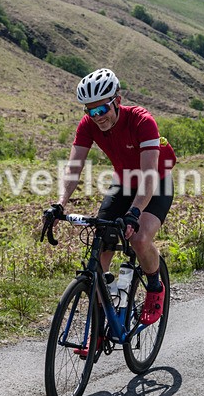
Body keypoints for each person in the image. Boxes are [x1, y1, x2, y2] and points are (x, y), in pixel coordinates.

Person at [53, 67, 176, 325]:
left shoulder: (142, 121)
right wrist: (60, 204)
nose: (97, 117)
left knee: (140, 238)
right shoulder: (88, 125)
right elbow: (73, 168)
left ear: (117, 101)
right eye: (90, 111)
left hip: (155, 182)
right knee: (100, 250)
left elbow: (149, 175)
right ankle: (100, 321)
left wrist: (134, 213)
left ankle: (155, 287)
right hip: (123, 182)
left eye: (102, 109)